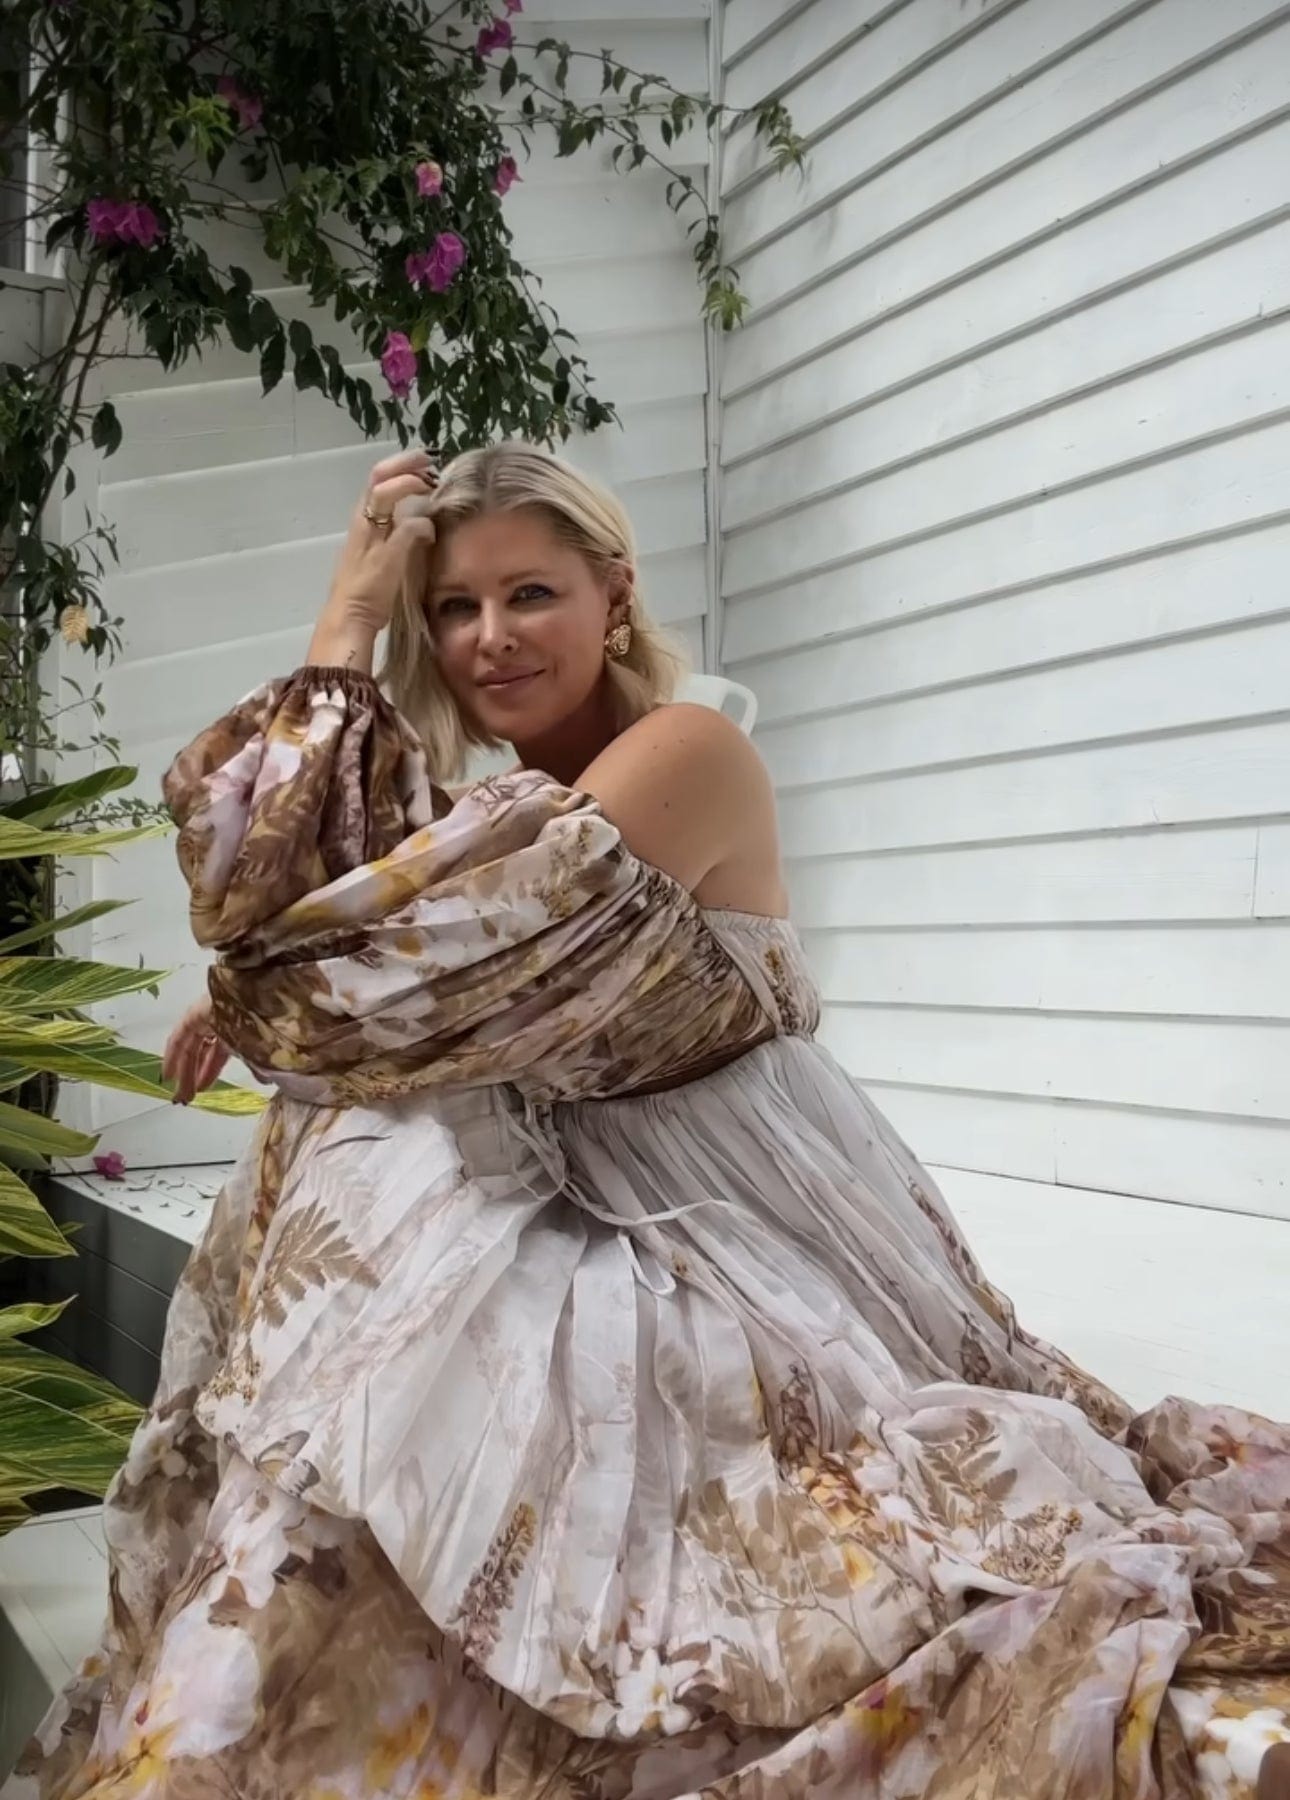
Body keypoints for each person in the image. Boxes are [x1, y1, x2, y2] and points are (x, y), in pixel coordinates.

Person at [8, 442, 1290, 1800]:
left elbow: (399, 973)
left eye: (529, 594)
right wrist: (344, 625)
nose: (488, 639)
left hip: (726, 1212)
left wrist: (290, 1005)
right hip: (583, 1189)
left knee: (385, 1178)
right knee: (374, 1174)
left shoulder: (683, 749)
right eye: (447, 609)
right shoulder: (484, 812)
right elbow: (284, 904)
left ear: (613, 593)